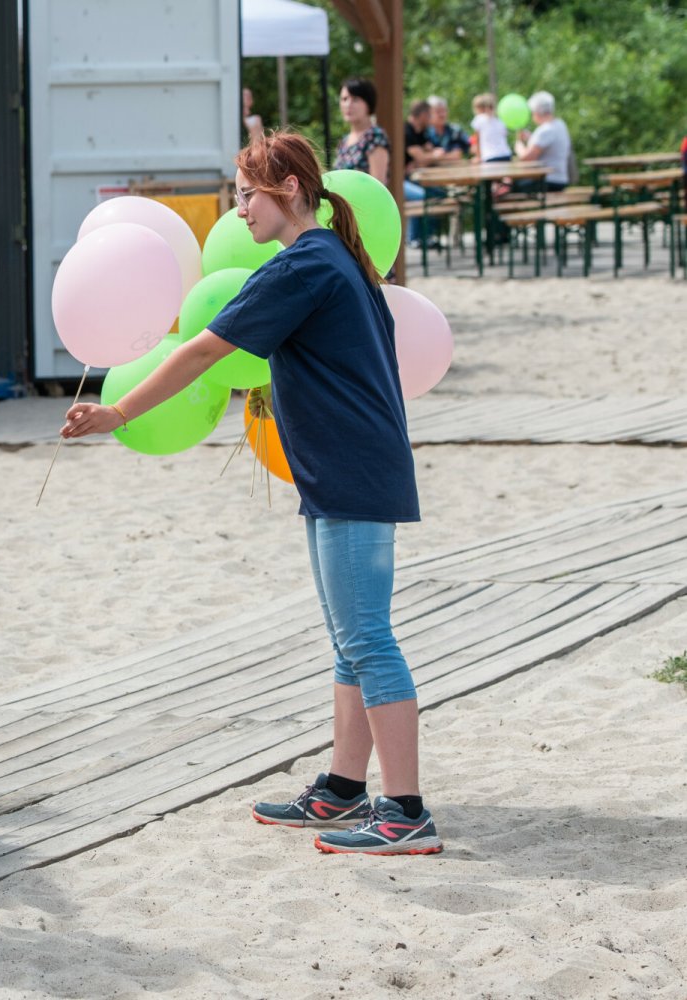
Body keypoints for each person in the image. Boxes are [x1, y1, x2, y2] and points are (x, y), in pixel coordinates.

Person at [62, 131, 441, 858]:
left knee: (366, 637)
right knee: (348, 639)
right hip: (343, 470)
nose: (237, 210)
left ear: (289, 190)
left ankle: (406, 811)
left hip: (354, 472)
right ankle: (342, 787)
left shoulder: (307, 264)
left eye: (246, 194)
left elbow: (205, 348)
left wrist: (117, 413)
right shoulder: (330, 255)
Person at [402, 100, 447, 248]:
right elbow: (423, 157)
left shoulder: (421, 131)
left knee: (440, 194)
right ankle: (414, 238)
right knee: (422, 196)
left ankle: (427, 236)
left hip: (412, 177)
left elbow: (429, 153)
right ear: (422, 115)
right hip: (397, 180)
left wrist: (425, 157)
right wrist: (427, 157)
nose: (431, 119)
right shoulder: (406, 130)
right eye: (429, 115)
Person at [333, 78, 390, 183]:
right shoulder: (344, 141)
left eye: (355, 99)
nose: (348, 105)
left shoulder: (375, 136)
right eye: (344, 99)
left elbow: (377, 185)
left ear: (368, 103)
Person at [515, 90, 573, 193]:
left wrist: (519, 146)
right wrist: (531, 138)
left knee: (510, 187)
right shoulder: (560, 124)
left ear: (537, 112)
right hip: (559, 179)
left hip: (548, 181)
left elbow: (527, 158)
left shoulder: (546, 130)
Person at [469, 93, 512, 163]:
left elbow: (478, 140)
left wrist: (478, 157)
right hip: (506, 155)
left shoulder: (479, 119)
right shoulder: (500, 121)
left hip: (490, 156)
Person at [424, 96, 468, 161]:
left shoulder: (455, 130)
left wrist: (434, 157)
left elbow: (456, 156)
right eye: (438, 111)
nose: (442, 115)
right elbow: (420, 158)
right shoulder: (424, 132)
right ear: (429, 113)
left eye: (444, 111)